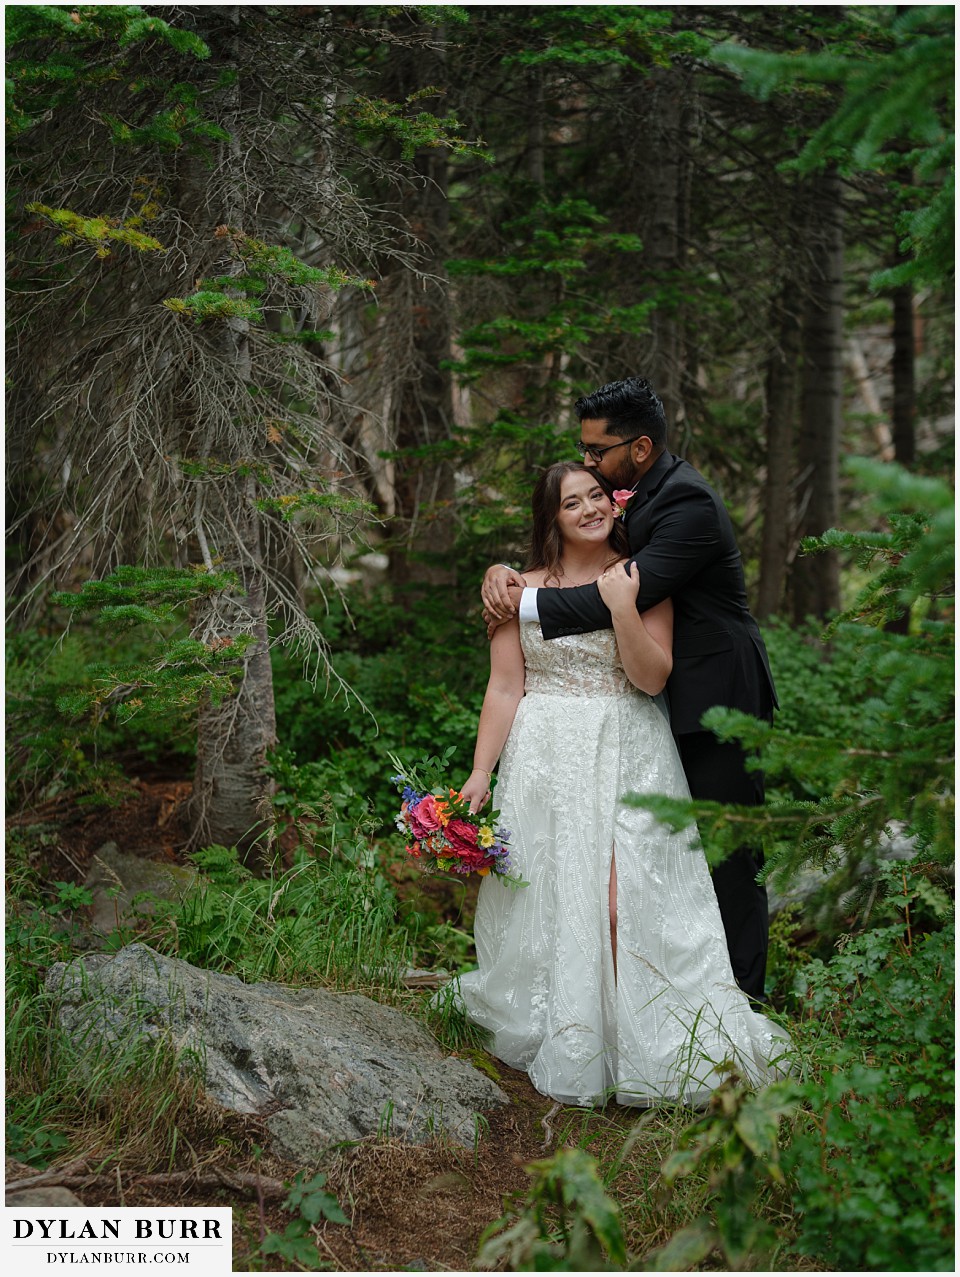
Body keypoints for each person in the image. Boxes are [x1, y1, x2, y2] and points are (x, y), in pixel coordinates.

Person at [455, 462, 787, 1108]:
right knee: (554, 894)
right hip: (547, 753)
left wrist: (622, 607)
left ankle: (642, 1042)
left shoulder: (641, 575)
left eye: (597, 495)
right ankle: (581, 1039)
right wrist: (480, 771)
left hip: (627, 745)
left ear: (615, 501)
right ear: (550, 518)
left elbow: (653, 676)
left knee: (621, 901)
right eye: (571, 502)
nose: (588, 508)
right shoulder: (516, 588)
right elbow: (504, 686)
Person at [482, 377, 777, 1003]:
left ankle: (743, 1000)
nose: (589, 462)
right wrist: (505, 573)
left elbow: (615, 595)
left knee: (726, 852)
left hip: (716, 700)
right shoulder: (634, 496)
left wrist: (518, 601)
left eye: (597, 452)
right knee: (669, 858)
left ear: (639, 448)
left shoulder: (687, 503)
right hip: (650, 704)